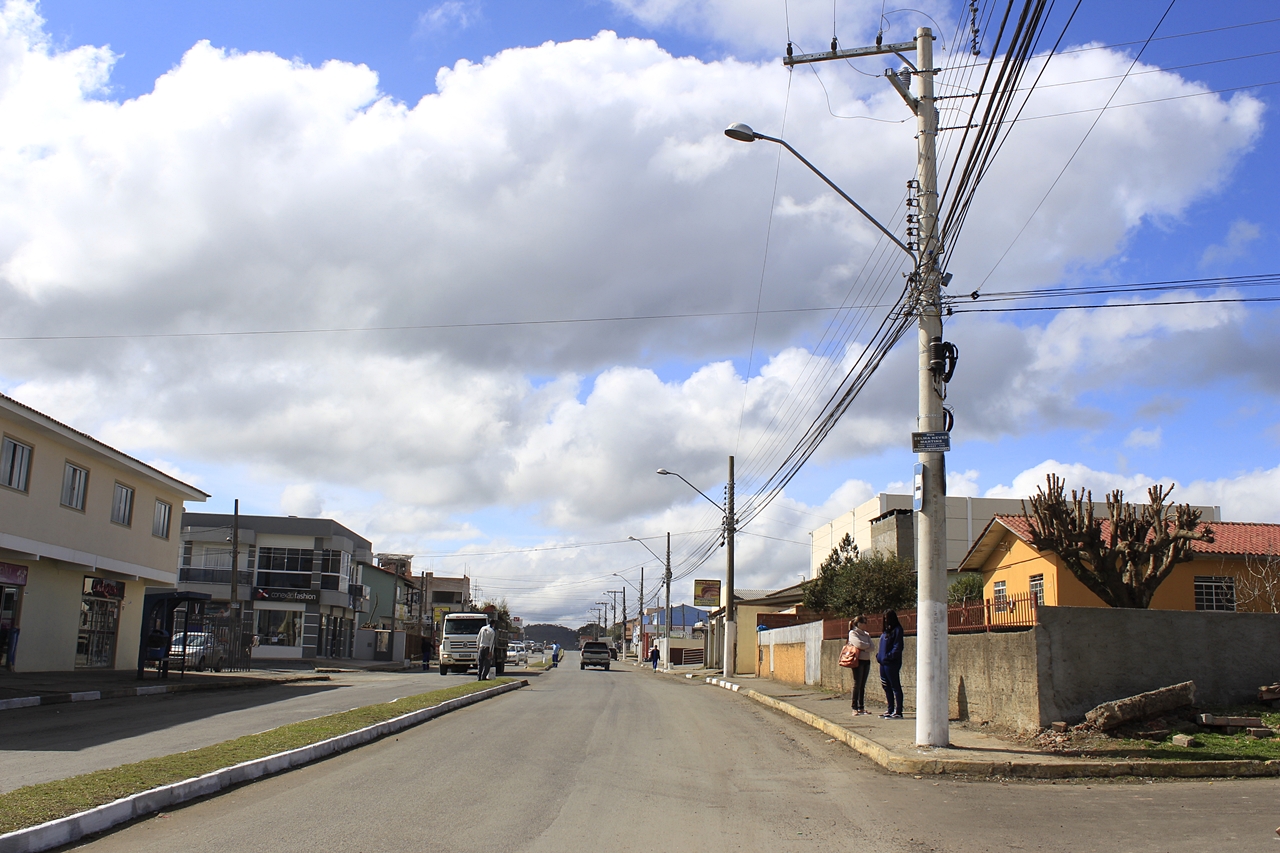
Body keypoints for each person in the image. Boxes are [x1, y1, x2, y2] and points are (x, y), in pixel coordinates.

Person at [876, 610, 905, 719]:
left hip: (891, 663)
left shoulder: (897, 630)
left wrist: (889, 656)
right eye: (884, 618)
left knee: (895, 686)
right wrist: (879, 656)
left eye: (887, 618)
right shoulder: (885, 632)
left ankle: (898, 711)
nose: (885, 620)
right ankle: (890, 709)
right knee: (886, 686)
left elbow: (898, 647)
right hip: (882, 663)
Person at [848, 616, 874, 716]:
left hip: (866, 660)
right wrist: (865, 646)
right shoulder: (853, 633)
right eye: (863, 622)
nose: (865, 624)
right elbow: (858, 644)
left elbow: (872, 647)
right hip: (857, 660)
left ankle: (861, 707)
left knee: (863, 685)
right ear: (858, 623)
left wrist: (865, 648)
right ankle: (854, 707)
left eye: (866, 622)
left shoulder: (866, 634)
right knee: (857, 683)